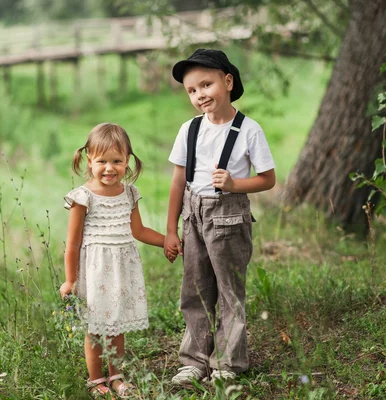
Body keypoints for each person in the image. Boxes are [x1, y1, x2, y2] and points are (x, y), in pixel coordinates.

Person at [164, 48, 276, 385]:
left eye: (206, 85)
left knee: (229, 290)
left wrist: (234, 183)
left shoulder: (248, 130)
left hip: (229, 213)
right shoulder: (190, 129)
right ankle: (195, 360)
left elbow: (268, 178)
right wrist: (171, 229)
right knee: (195, 288)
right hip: (193, 213)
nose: (200, 95)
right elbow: (177, 180)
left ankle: (227, 363)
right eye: (192, 91)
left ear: (227, 81)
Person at [60, 123, 177, 398]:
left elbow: (139, 231)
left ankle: (116, 376)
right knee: (95, 330)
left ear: (128, 161)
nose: (109, 168)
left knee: (117, 326)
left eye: (117, 161)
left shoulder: (129, 194)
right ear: (89, 160)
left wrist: (168, 240)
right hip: (95, 272)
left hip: (122, 272)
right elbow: (73, 243)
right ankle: (95, 379)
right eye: (102, 161)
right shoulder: (83, 197)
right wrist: (70, 280)